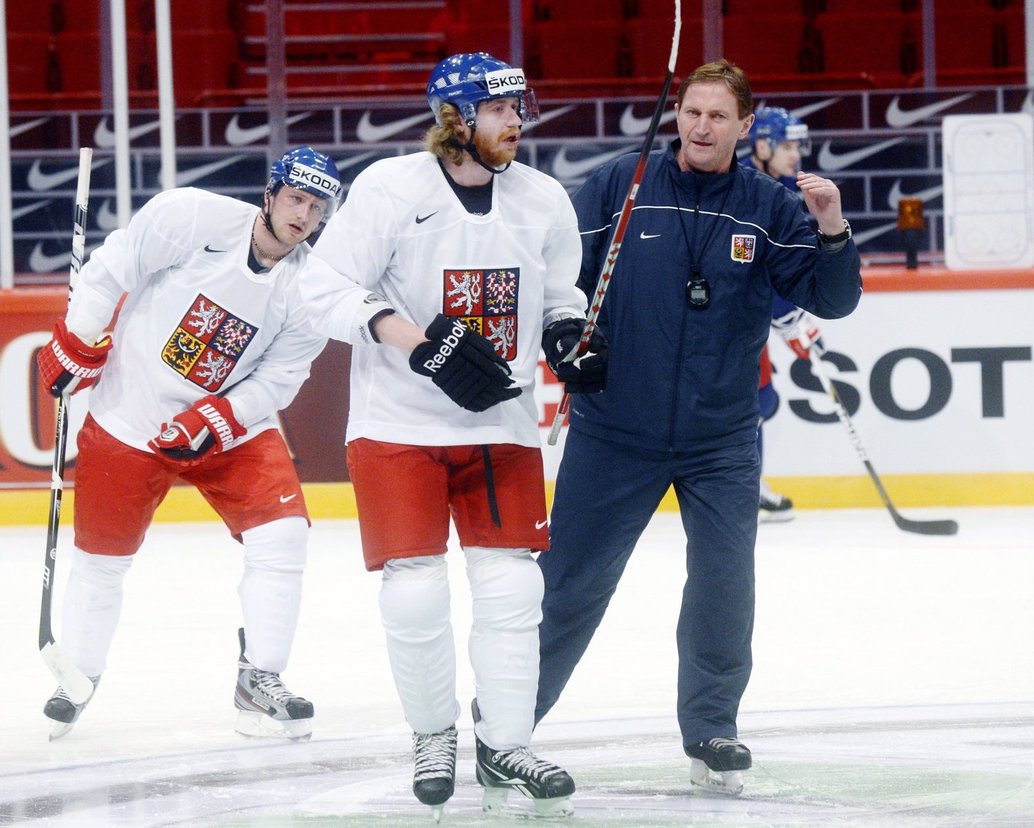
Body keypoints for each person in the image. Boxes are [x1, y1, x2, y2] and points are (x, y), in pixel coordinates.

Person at [535, 60, 862, 795]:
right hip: (614, 427)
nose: (700, 127)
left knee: (722, 584)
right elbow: (564, 280)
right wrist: (565, 338)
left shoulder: (768, 206)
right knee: (570, 586)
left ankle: (713, 728)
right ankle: (508, 719)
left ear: (746, 126)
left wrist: (833, 229)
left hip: (720, 440)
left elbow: (830, 299)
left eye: (718, 116)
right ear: (675, 114)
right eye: (690, 112)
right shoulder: (623, 185)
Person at [299, 52, 606, 820]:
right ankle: (432, 735)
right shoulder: (390, 190)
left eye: (519, 107)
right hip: (396, 424)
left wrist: (568, 339)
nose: (518, 122)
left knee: (512, 586)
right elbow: (321, 291)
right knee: (414, 594)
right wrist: (418, 342)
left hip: (501, 423)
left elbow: (559, 294)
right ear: (456, 120)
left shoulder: (540, 200)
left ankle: (506, 743)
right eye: (502, 110)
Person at [36, 146, 342, 742]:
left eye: (318, 206)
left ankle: (260, 680)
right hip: (131, 416)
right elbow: (112, 268)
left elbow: (281, 378)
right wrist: (78, 338)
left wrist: (219, 415)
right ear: (272, 194)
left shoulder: (312, 290)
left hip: (227, 429)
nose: (304, 215)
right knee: (102, 562)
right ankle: (76, 674)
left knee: (282, 537)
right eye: (297, 199)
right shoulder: (191, 217)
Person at [743, 105, 827, 523]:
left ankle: (746, 486)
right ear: (762, 145)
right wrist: (788, 318)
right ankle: (743, 489)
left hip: (745, 320)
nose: (796, 154)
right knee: (751, 402)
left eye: (798, 144)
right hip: (724, 321)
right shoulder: (747, 189)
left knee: (759, 399)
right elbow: (750, 265)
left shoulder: (774, 190)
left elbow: (772, 266)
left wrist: (794, 317)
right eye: (787, 144)